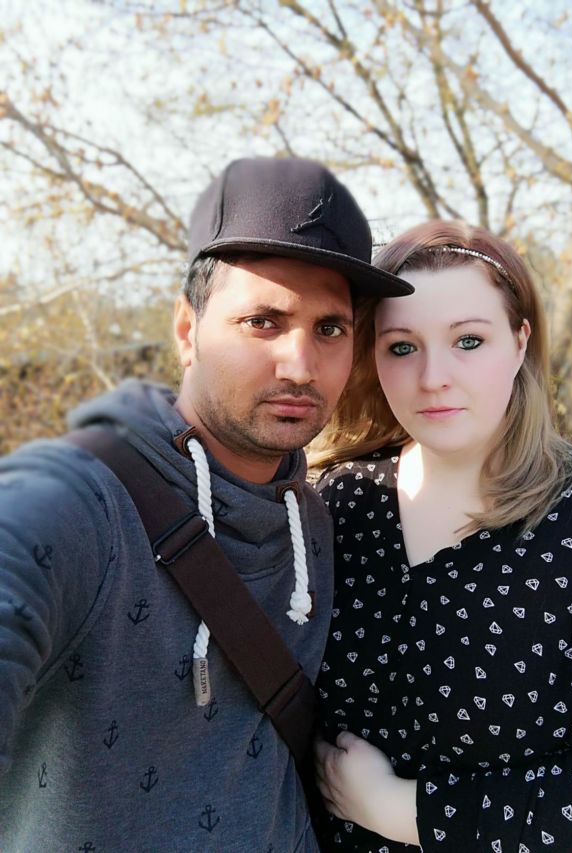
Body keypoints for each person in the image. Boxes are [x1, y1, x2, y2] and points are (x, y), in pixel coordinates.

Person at [0, 156, 412, 851]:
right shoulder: (78, 501)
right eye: (262, 320)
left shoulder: (315, 516)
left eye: (329, 329)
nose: (300, 365)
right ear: (187, 332)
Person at [311, 220, 572, 851]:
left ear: (519, 343)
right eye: (402, 347)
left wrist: (399, 810)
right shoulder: (341, 502)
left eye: (468, 340)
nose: (433, 376)